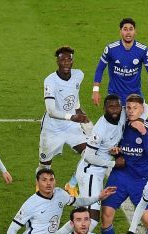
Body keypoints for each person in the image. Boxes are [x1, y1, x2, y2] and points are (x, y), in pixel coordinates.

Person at [54, 94, 125, 234]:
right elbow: (88, 156)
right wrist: (112, 163)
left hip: (94, 172)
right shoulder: (100, 129)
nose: (115, 110)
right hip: (90, 172)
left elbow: (145, 107)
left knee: (82, 217)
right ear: (105, 108)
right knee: (90, 220)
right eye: (111, 107)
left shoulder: (122, 114)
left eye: (117, 106)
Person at [100, 94, 148, 234]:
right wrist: (115, 152)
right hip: (119, 177)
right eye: (129, 108)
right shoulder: (121, 125)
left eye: (135, 108)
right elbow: (113, 147)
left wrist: (143, 133)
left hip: (140, 180)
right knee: (105, 215)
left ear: (143, 109)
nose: (131, 112)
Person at [39, 46, 92, 197]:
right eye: (63, 59)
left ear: (72, 61)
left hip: (71, 127)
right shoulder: (50, 81)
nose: (66, 62)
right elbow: (51, 111)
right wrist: (73, 116)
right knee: (45, 166)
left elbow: (74, 94)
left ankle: (72, 184)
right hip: (52, 128)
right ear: (58, 61)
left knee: (89, 154)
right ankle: (40, 189)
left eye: (69, 59)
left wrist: (78, 109)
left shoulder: (79, 75)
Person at [92, 17, 148, 111]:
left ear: (135, 31)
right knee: (114, 124)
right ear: (120, 32)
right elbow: (100, 69)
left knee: (137, 124)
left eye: (131, 29)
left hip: (135, 96)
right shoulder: (111, 49)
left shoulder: (142, 50)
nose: (128, 32)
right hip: (114, 96)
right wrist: (95, 90)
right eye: (125, 29)